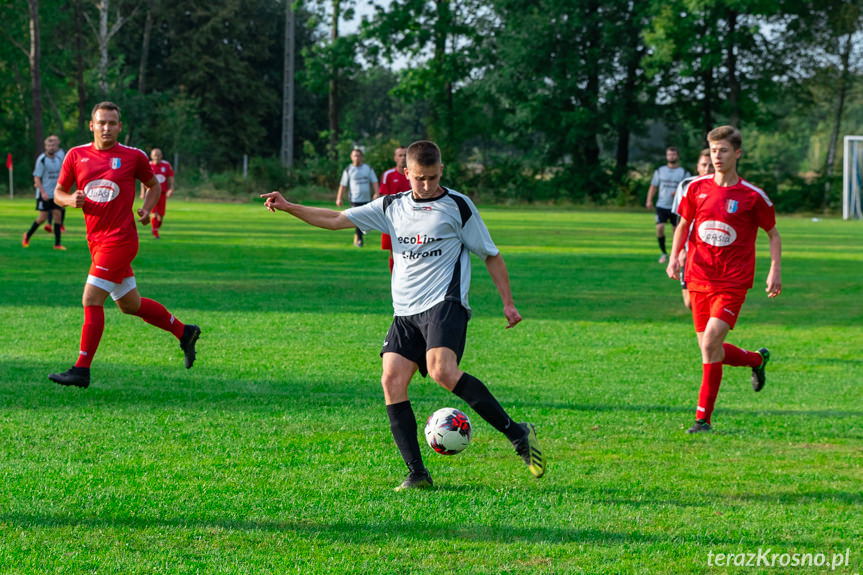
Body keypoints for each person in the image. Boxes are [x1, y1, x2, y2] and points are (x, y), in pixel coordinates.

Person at [262, 140, 546, 490]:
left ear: (441, 170)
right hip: (405, 311)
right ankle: (417, 474)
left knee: (443, 371)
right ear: (405, 173)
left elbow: (491, 254)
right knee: (391, 380)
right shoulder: (391, 206)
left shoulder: (458, 206)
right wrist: (289, 206)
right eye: (419, 178)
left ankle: (518, 435)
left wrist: (508, 303)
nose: (426, 185)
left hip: (445, 303)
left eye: (432, 177)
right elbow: (336, 218)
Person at [48, 101, 201, 389]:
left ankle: (81, 369)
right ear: (91, 125)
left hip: (120, 240)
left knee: (91, 299)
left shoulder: (133, 157)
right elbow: (58, 192)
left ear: (120, 127)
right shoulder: (76, 155)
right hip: (95, 241)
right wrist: (70, 200)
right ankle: (185, 332)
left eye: (112, 123)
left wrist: (146, 209)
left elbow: (154, 186)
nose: (106, 128)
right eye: (101, 123)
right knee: (131, 305)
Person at [666, 126, 782, 434]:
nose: (718, 156)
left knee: (710, 343)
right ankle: (757, 359)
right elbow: (683, 224)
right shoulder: (696, 188)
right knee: (710, 348)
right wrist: (676, 256)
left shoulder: (752, 196)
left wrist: (774, 269)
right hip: (698, 277)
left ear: (738, 153)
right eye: (714, 150)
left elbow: (773, 234)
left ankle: (702, 419)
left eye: (724, 151)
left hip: (732, 281)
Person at [671, 149, 714, 310]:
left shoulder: (724, 188)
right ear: (697, 166)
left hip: (713, 251)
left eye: (711, 165)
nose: (707, 169)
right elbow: (678, 222)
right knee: (690, 302)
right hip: (690, 250)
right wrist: (678, 251)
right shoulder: (686, 185)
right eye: (704, 165)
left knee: (712, 298)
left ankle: (714, 325)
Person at [646, 146, 690, 263]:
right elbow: (653, 186)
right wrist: (649, 200)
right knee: (659, 228)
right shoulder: (660, 171)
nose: (671, 157)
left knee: (677, 232)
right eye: (669, 154)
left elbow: (689, 189)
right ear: (666, 156)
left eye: (674, 154)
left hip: (677, 207)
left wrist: (678, 192)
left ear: (678, 156)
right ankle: (664, 253)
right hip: (662, 205)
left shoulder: (684, 173)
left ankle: (675, 254)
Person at [23, 134, 66, 250]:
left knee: (57, 216)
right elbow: (37, 177)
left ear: (56, 146)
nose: (51, 147)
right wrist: (42, 192)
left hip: (56, 194)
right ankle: (27, 235)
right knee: (42, 218)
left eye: (53, 145)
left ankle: (57, 244)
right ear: (45, 147)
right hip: (44, 194)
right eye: (48, 145)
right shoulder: (42, 159)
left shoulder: (59, 159)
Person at [373, 146, 412, 272]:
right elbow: (384, 197)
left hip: (412, 219)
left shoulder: (414, 175)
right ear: (395, 158)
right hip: (393, 220)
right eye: (400, 155)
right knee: (393, 252)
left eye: (405, 155)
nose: (403, 158)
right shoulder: (388, 175)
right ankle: (394, 278)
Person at [336, 148, 378, 247]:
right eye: (355, 155)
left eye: (359, 155)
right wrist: (339, 198)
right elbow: (343, 185)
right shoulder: (348, 170)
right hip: (355, 199)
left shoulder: (368, 168)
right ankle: (359, 238)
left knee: (365, 220)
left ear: (362, 157)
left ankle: (358, 235)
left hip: (366, 199)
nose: (357, 158)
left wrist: (376, 193)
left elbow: (374, 181)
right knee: (358, 219)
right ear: (351, 157)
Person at [140, 148, 174, 239]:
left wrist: (171, 189)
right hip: (152, 193)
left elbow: (171, 177)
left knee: (161, 215)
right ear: (151, 156)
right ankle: (155, 232)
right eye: (155, 155)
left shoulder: (166, 165)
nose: (157, 157)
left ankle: (155, 228)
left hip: (162, 193)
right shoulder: (148, 165)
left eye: (158, 155)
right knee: (154, 213)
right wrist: (143, 192)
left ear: (161, 156)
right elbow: (143, 180)